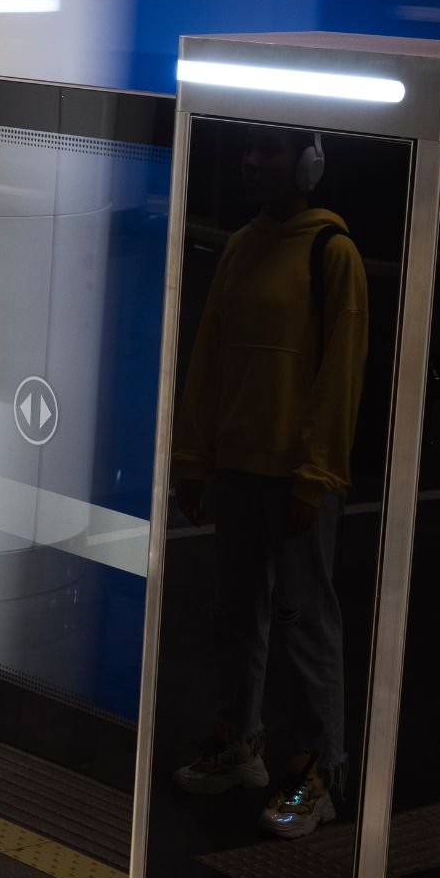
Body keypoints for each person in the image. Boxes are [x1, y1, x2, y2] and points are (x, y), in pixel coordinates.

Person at [169, 127, 369, 840]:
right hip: (239, 470)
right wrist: (194, 457)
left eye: (273, 150)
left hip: (296, 480)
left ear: (309, 163)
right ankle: (242, 743)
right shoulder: (243, 246)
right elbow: (211, 356)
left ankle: (320, 773)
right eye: (250, 148)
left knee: (305, 626)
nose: (254, 161)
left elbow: (339, 376)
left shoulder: (331, 253)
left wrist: (315, 477)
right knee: (238, 615)